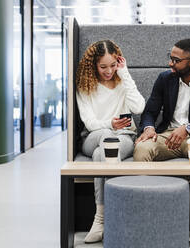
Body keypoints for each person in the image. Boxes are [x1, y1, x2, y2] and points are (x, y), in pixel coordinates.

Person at [133, 38, 190, 246]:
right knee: (142, 148)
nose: (170, 64)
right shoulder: (165, 79)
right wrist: (148, 128)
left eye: (176, 60)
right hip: (168, 135)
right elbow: (149, 112)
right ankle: (150, 213)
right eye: (170, 58)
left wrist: (189, 128)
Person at [76, 40, 145, 243]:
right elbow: (89, 123)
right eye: (103, 66)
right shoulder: (85, 86)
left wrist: (125, 74)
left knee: (103, 152)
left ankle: (100, 219)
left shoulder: (123, 80)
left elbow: (139, 107)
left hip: (124, 137)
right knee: (106, 140)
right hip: (93, 137)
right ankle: (115, 219)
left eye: (113, 65)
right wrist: (111, 125)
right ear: (94, 65)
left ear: (118, 62)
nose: (109, 71)